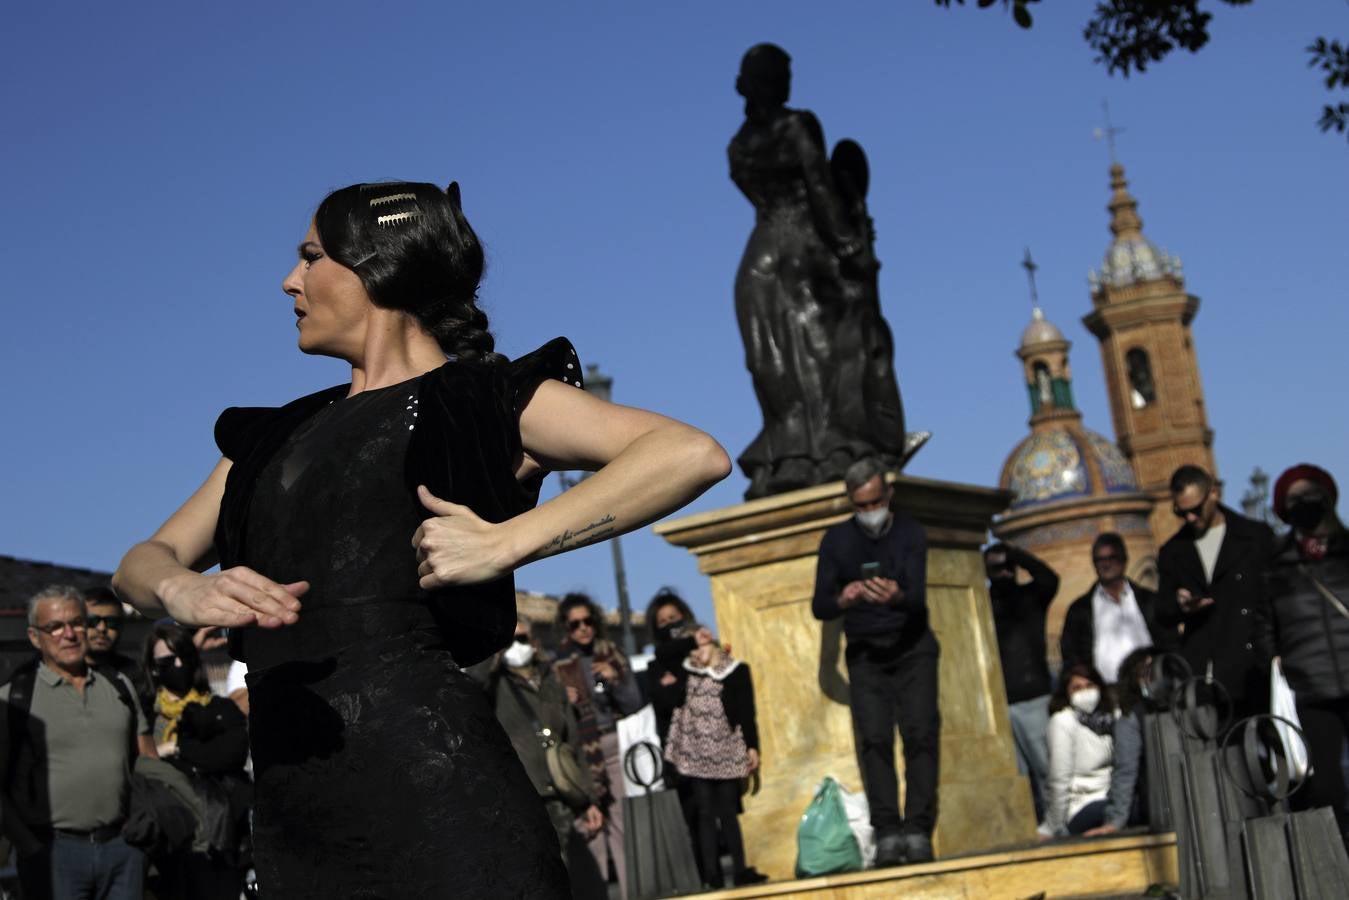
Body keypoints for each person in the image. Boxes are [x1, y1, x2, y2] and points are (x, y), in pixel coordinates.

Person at [111, 180, 732, 898]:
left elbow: (688, 453)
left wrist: (508, 541)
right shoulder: (276, 436)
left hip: (441, 803)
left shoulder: (480, 400)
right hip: (297, 823)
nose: (290, 280)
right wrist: (181, 587)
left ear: (379, 267)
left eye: (311, 256)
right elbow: (142, 561)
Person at [728, 43, 904, 500]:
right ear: (769, 81)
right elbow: (820, 190)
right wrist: (851, 246)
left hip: (758, 259)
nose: (788, 83)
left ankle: (788, 459)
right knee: (827, 356)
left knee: (774, 363)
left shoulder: (738, 147)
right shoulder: (797, 126)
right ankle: (834, 453)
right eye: (783, 75)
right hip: (806, 255)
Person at [812, 458, 939, 867]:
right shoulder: (836, 541)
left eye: (875, 502)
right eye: (860, 506)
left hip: (912, 647)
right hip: (865, 653)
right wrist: (844, 599)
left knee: (920, 736)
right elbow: (820, 605)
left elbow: (918, 597)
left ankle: (918, 829)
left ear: (888, 495)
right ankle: (887, 833)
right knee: (874, 742)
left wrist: (896, 595)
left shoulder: (910, 532)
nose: (869, 512)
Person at [0, 585, 153, 900]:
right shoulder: (12, 699)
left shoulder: (119, 685)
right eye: (54, 627)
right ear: (34, 637)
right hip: (53, 853)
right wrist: (29, 846)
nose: (68, 634)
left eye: (77, 623)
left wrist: (143, 829)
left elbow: (147, 759)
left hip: (123, 848)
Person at [1263, 464, 1349, 847]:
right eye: (1293, 499)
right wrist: (1276, 657)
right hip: (1312, 684)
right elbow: (1263, 622)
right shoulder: (1277, 563)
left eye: (1309, 495)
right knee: (1327, 785)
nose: (1304, 504)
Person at [1156, 465, 1277, 721]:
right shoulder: (1173, 551)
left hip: (1254, 667)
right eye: (1181, 512)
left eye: (1195, 510)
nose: (1189, 518)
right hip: (1207, 673)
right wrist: (1180, 605)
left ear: (1214, 494)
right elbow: (1161, 611)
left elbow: (1275, 598)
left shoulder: (1255, 537)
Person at [142, 621, 251, 900]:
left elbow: (230, 753)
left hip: (220, 842)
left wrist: (175, 747)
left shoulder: (218, 707)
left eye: (185, 656)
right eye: (167, 660)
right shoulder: (144, 713)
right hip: (166, 843)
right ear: (153, 667)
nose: (178, 665)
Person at [487, 616, 604, 866]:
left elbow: (573, 740)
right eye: (507, 640)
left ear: (534, 642)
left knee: (566, 868)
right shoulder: (494, 684)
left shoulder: (552, 681)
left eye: (520, 638)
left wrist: (588, 799)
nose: (515, 646)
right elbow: (473, 680)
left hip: (559, 790)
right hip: (521, 795)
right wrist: (492, 655)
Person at [553, 593, 644, 898]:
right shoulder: (558, 667)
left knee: (623, 826)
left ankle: (634, 893)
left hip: (615, 744)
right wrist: (563, 701)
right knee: (590, 831)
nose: (583, 628)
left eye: (588, 621)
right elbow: (554, 720)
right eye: (575, 624)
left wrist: (615, 679)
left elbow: (634, 703)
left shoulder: (612, 654)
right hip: (581, 754)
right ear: (566, 628)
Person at [663, 627, 767, 888]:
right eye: (696, 647)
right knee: (705, 812)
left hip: (727, 749)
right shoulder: (687, 670)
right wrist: (691, 640)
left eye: (705, 645)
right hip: (696, 751)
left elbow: (746, 710)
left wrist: (752, 747)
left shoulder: (735, 671)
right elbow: (662, 654)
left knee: (728, 811)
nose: (700, 652)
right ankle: (712, 874)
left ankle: (741, 869)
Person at [984, 542, 1059, 822]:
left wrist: (1015, 555)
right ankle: (1027, 826)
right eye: (996, 568)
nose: (1003, 573)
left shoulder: (1030, 598)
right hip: (999, 704)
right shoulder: (981, 603)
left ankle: (1056, 824)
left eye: (1007, 567)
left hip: (1033, 698)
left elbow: (1049, 579)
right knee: (1015, 774)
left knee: (1045, 768)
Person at [1060, 533, 1175, 682]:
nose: (1106, 564)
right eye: (1100, 560)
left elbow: (1170, 642)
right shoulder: (1080, 610)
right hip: (1107, 693)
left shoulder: (1150, 601)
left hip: (1152, 685)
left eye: (1111, 558)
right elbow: (1072, 656)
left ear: (1124, 559)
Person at [1086, 646, 1158, 838]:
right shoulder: (1131, 718)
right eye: (1145, 673)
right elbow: (1125, 770)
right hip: (1155, 807)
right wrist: (1115, 821)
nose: (1153, 679)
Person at [1040, 664, 1117, 839]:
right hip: (1082, 806)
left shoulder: (1111, 718)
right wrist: (1053, 826)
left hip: (1114, 800)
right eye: (1077, 687)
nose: (1085, 692)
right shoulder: (1063, 722)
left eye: (1090, 685)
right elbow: (1060, 778)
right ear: (1066, 692)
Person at [83, 585, 154, 717]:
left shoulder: (136, 675)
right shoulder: (57, 671)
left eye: (111, 622)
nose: (102, 628)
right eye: (93, 621)